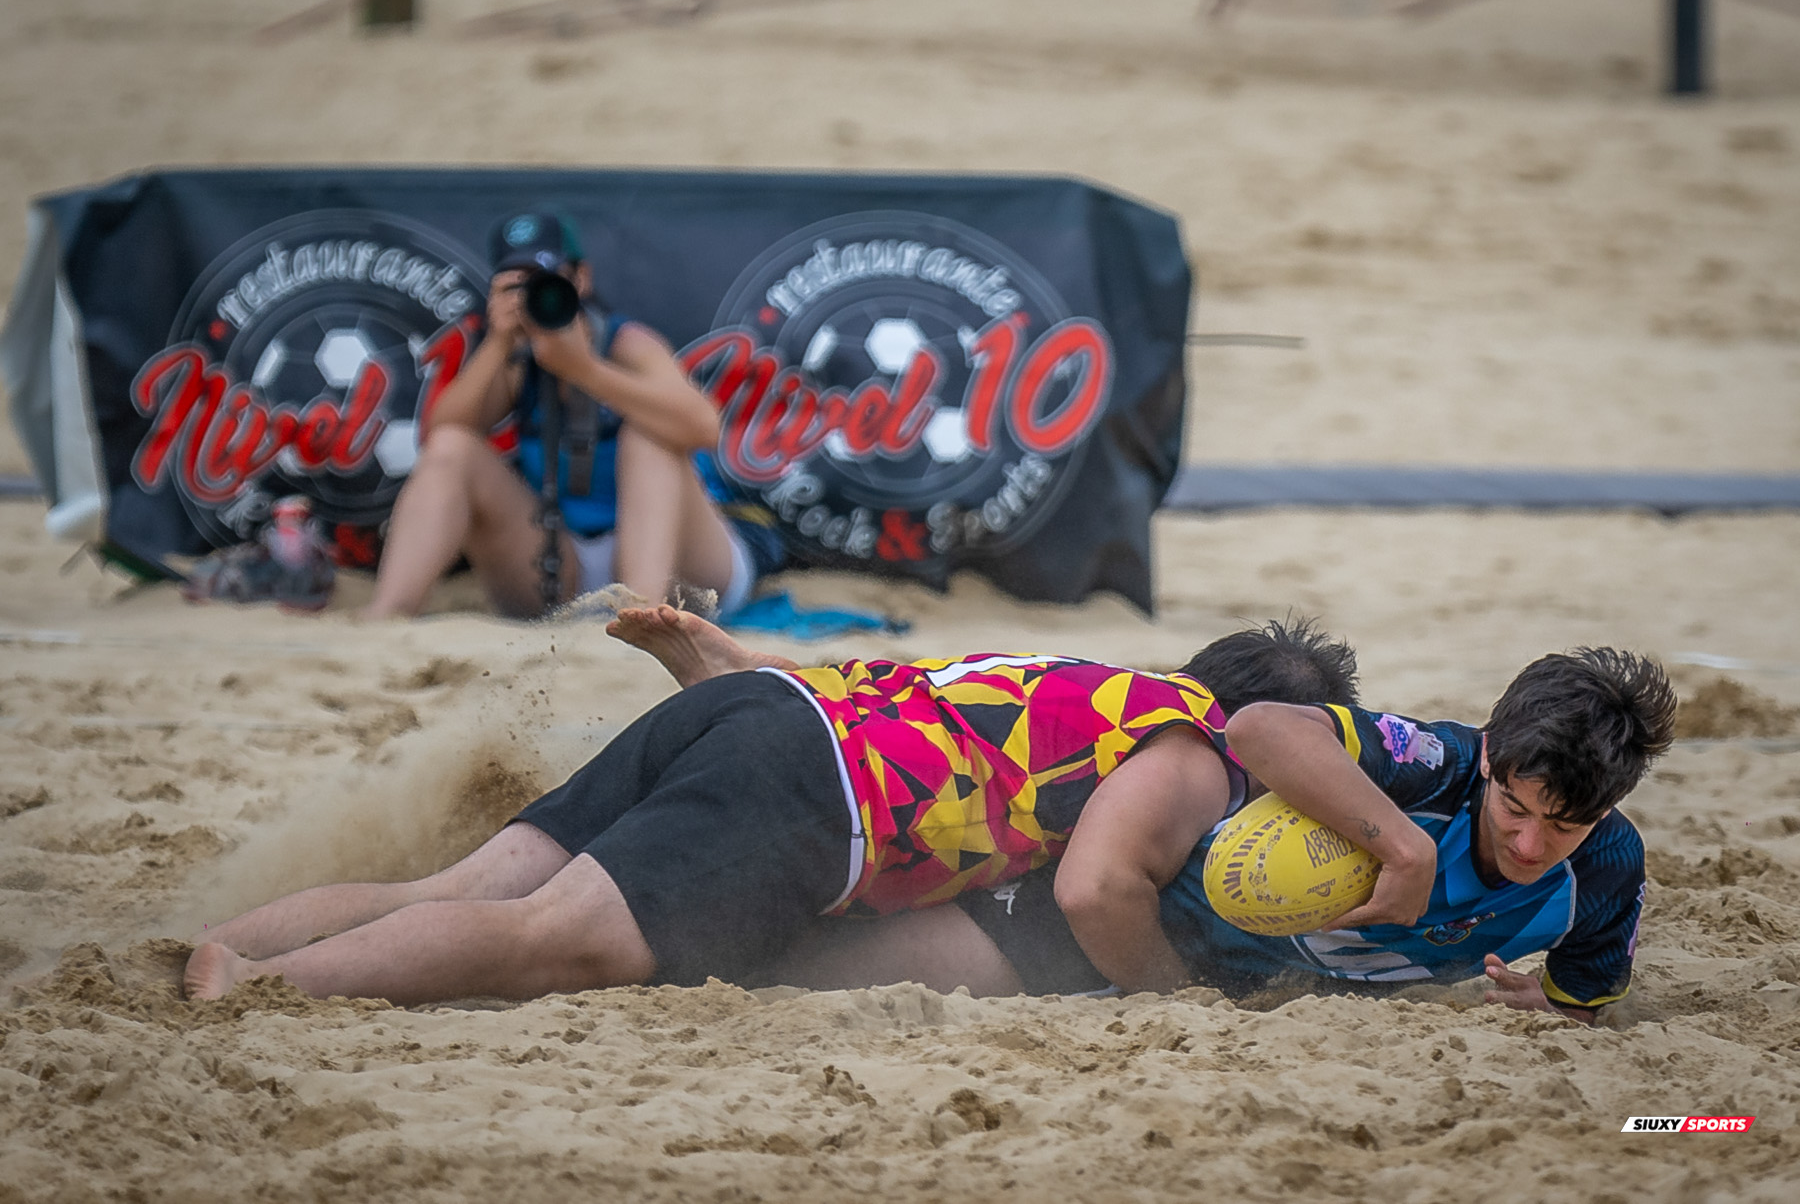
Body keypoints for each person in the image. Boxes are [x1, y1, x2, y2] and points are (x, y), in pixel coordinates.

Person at [614, 611, 1678, 1025]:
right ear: (1488, 759)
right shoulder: (1401, 765)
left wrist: (1541, 1007)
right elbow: (1259, 734)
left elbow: (1581, 1010)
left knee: (949, 734)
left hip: (1055, 829)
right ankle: (749, 691)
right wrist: (1394, 841)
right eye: (1516, 808)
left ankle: (753, 680)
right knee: (799, 935)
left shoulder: (1605, 874)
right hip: (1072, 891)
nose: (1533, 842)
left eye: (1566, 827)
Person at [183, 622, 1283, 1004]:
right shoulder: (1192, 748)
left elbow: (907, 703)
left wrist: (732, 672)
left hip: (764, 710)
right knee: (549, 946)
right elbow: (1097, 894)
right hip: (813, 790)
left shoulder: (1086, 685)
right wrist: (1171, 999)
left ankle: (216, 946)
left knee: (461, 892)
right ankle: (260, 987)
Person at [363, 207, 781, 620]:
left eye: (547, 280)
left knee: (648, 437)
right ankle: (389, 614)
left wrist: (585, 371)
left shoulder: (626, 343)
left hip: (683, 559)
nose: (536, 294)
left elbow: (703, 428)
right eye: (517, 284)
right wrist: (498, 342)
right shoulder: (515, 359)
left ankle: (643, 620)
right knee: (454, 448)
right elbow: (444, 436)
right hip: (561, 563)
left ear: (580, 279)